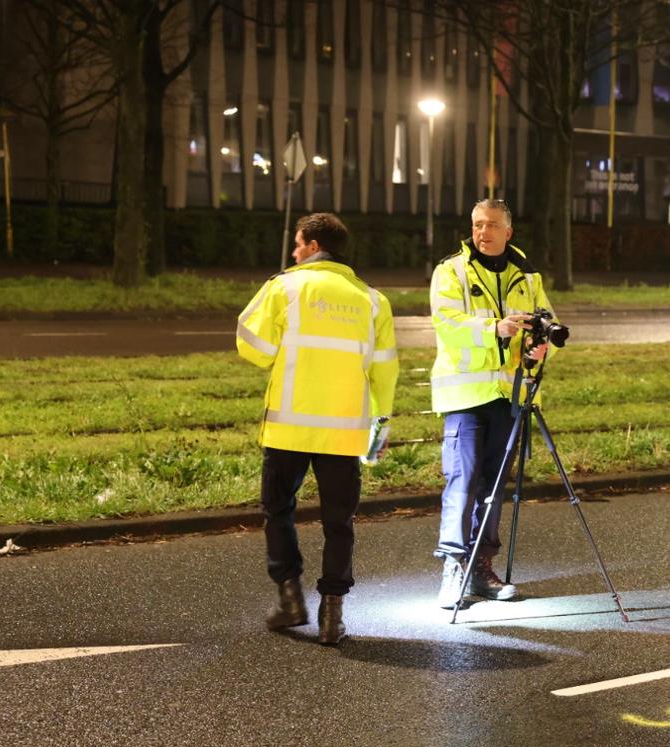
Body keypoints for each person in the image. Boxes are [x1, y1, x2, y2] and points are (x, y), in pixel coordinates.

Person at [235, 212, 398, 645]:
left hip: (289, 429)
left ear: (310, 245)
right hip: (345, 433)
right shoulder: (373, 300)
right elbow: (385, 375)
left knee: (278, 512)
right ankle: (333, 616)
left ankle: (290, 600)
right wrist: (377, 439)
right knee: (339, 523)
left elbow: (253, 346)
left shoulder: (284, 286)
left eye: (296, 243)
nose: (293, 251)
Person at [428, 198, 552, 610]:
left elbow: (546, 324)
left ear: (508, 232)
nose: (483, 232)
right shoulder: (452, 271)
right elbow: (447, 325)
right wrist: (492, 328)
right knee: (462, 483)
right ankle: (453, 567)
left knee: (493, 489)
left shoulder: (527, 276)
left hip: (509, 394)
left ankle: (482, 568)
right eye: (478, 224)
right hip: (465, 396)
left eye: (492, 225)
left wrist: (541, 349)